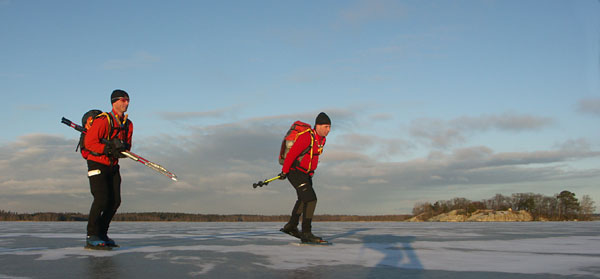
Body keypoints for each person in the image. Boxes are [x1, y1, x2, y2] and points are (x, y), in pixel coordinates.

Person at [83, 89, 133, 248]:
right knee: (101, 199)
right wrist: (107, 149)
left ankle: (102, 233)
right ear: (114, 102)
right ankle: (92, 234)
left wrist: (122, 150)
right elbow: (89, 143)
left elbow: (127, 147)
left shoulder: (128, 124)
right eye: (123, 100)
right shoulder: (103, 120)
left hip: (112, 165)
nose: (126, 103)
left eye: (128, 100)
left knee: (115, 201)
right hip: (97, 163)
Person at [279, 112, 331, 243]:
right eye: (326, 126)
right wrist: (284, 171)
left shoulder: (322, 140)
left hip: (306, 174)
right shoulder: (307, 137)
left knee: (303, 200)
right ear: (317, 126)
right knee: (311, 199)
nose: (328, 130)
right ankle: (306, 232)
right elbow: (292, 154)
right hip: (294, 171)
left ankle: (291, 226)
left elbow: (313, 157)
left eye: (330, 127)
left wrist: (311, 173)